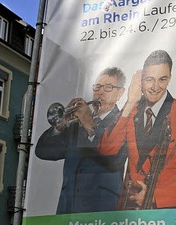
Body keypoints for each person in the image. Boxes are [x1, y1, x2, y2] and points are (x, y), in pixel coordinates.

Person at [99, 50, 176, 209]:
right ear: (140, 80)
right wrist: (130, 102)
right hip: (128, 214)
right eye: (149, 80)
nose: (155, 87)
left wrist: (154, 196)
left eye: (162, 79)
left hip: (164, 214)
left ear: (170, 78)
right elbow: (107, 149)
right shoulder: (131, 110)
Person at [35, 67, 128, 214]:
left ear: (120, 93)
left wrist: (89, 125)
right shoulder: (76, 126)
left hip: (102, 211)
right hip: (68, 210)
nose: (100, 92)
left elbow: (115, 160)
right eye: (97, 87)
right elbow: (42, 151)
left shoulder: (124, 122)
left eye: (108, 87)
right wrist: (59, 127)